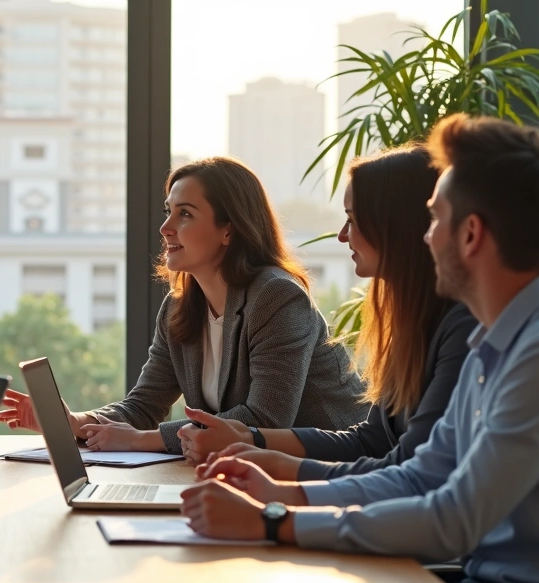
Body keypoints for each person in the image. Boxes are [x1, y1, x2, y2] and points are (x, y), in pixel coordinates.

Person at [182, 114, 539, 583]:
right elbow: (420, 476)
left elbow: (452, 519)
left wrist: (275, 519)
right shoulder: (499, 341)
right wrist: (285, 490)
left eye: (434, 219)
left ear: (469, 234)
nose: (426, 236)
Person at [0, 156, 366, 458]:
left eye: (185, 214)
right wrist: (76, 422)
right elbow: (143, 406)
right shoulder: (179, 307)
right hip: (250, 472)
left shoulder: (277, 297)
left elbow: (265, 420)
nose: (165, 227)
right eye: (168, 211)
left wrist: (142, 440)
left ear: (229, 230)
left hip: (336, 470)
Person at [175, 145, 477, 478]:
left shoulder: (461, 330)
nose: (342, 235)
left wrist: (278, 481)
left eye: (352, 219)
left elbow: (409, 471)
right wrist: (250, 439)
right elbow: (371, 439)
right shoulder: (411, 324)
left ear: (396, 226)